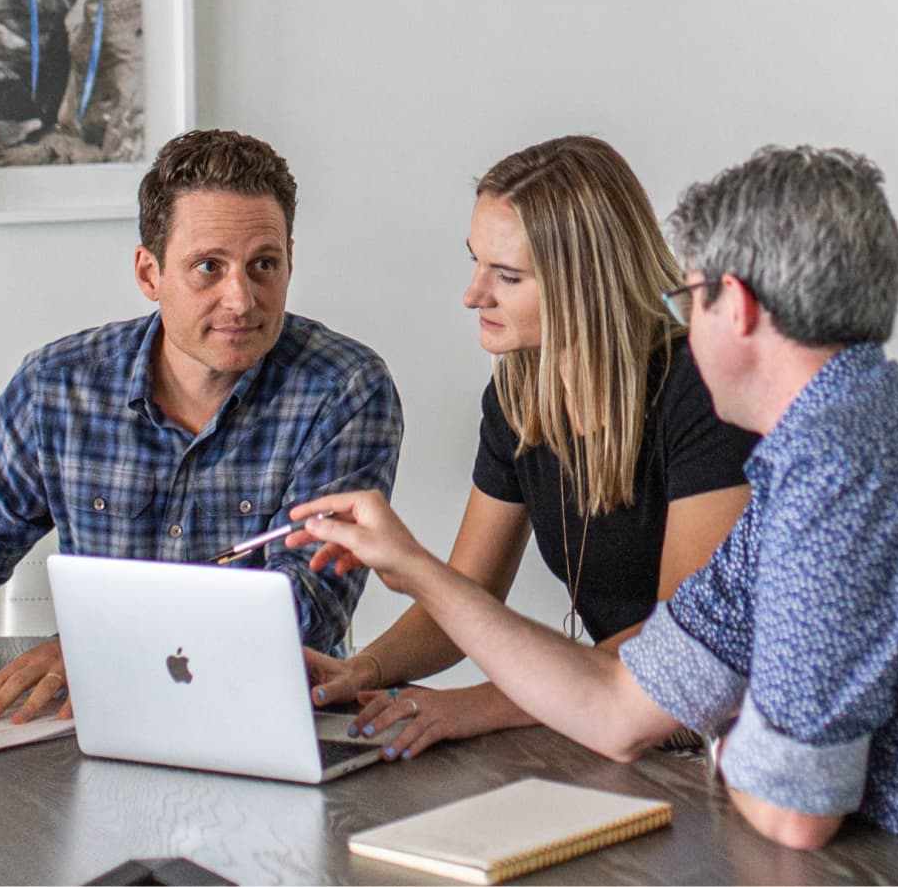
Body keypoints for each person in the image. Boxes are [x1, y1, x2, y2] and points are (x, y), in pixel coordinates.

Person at [288, 145, 898, 858]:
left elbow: (789, 811)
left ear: (734, 307)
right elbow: (624, 707)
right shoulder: (829, 441)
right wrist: (412, 570)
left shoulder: (835, 467)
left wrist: (727, 733)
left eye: (689, 298)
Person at [0, 129, 404, 724]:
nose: (242, 298)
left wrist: (102, 643)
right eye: (208, 267)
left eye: (264, 265)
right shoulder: (58, 386)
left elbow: (305, 606)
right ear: (149, 272)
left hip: (269, 716)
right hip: (91, 722)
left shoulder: (343, 389)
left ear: (290, 260)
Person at [307, 136, 757, 760]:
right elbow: (464, 600)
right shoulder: (518, 396)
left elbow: (684, 645)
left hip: (718, 742)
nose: (473, 295)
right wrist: (360, 671)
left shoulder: (702, 394)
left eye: (507, 276)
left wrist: (478, 705)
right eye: (475, 263)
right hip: (617, 732)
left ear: (586, 283)